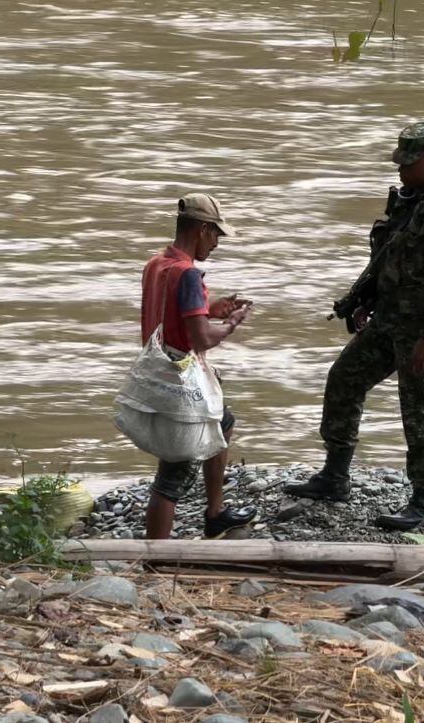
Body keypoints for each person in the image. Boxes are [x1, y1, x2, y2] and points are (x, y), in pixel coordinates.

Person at [287, 121, 424, 532]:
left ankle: (423, 499)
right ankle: (335, 476)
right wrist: (363, 302)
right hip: (387, 320)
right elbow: (387, 259)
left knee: (420, 411)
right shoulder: (407, 201)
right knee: (343, 380)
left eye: (408, 164)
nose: (400, 172)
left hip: (421, 331)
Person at [139, 193, 255, 539]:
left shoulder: (157, 264)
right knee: (173, 474)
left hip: (157, 368)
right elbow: (201, 338)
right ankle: (154, 561)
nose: (217, 243)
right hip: (181, 381)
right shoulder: (188, 274)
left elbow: (170, 314)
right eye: (216, 234)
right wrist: (232, 323)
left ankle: (216, 512)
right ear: (202, 230)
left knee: (224, 422)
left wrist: (210, 308)